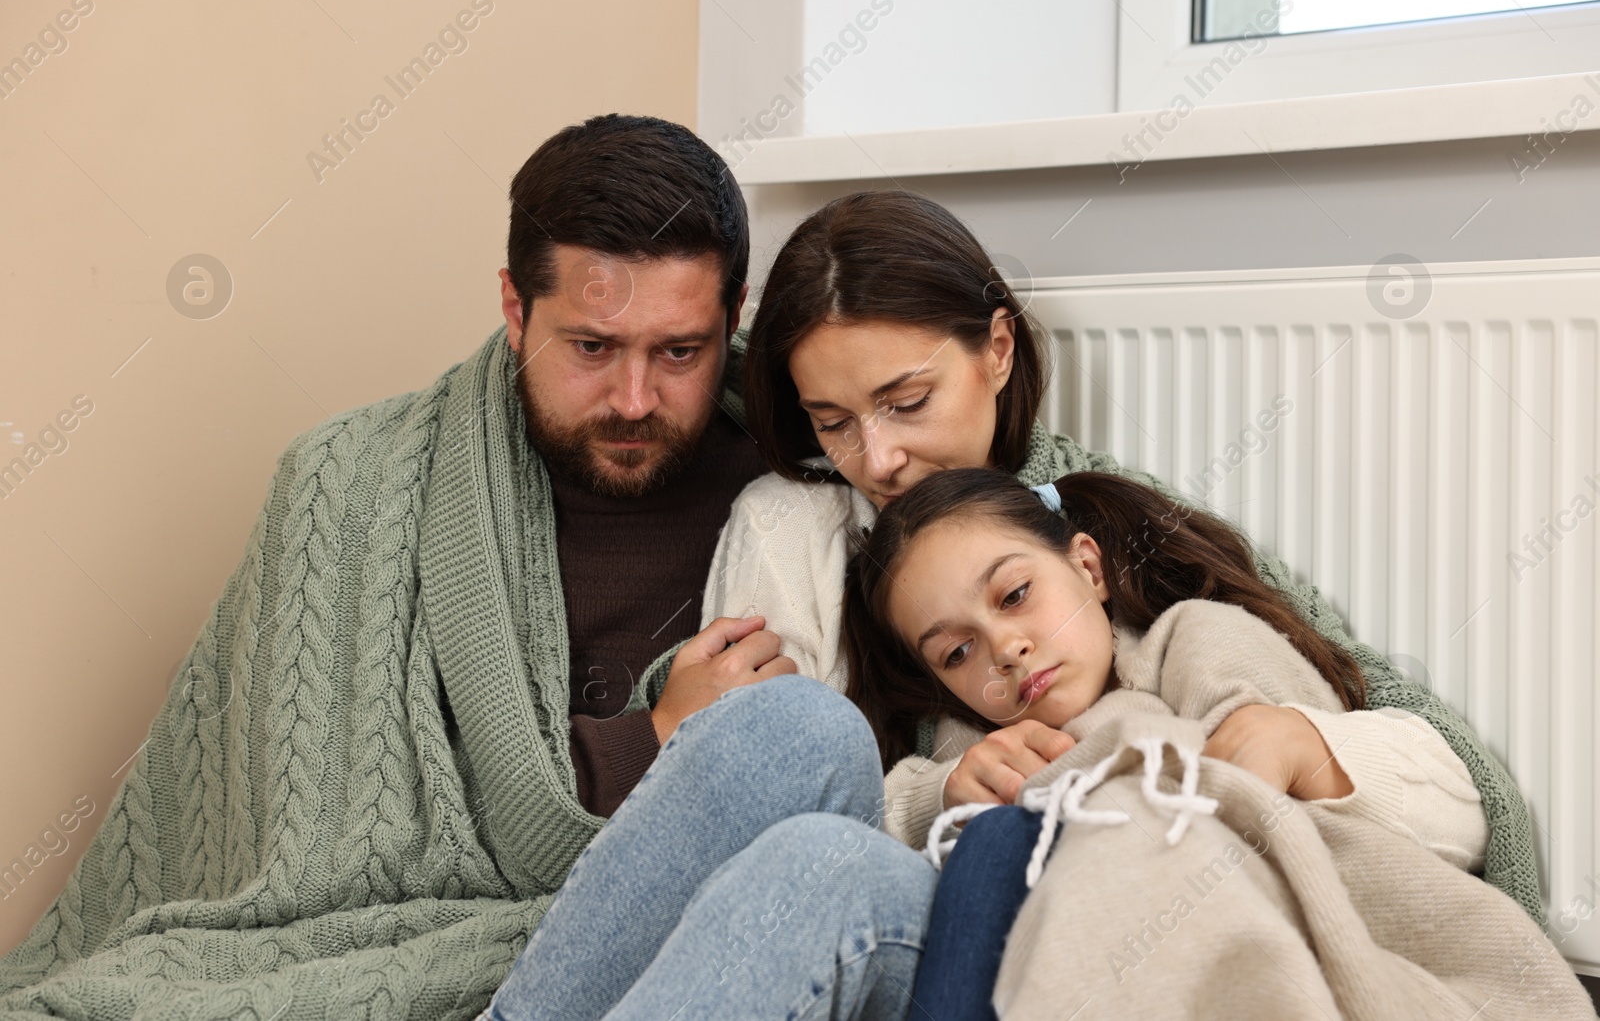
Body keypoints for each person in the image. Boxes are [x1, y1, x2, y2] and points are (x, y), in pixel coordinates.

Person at [0, 116, 926, 1021]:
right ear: (516, 311)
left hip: (711, 926)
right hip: (462, 942)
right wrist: (657, 732)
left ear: (736, 315)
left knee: (823, 782)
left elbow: (1009, 497)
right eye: (593, 347)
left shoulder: (824, 453)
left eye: (680, 351)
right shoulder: (353, 482)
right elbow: (327, 852)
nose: (635, 399)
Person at [706, 188, 1540, 1016]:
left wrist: (1308, 744)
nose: (879, 458)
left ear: (998, 349)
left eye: (907, 402)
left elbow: (1412, 739)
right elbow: (751, 822)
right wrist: (938, 795)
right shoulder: (796, 529)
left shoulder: (1120, 527)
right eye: (833, 422)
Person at [838, 466, 1594, 1019]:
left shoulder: (1194, 642)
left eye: (1014, 596)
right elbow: (882, 821)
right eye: (956, 653)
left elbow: (1373, 815)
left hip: (1280, 934)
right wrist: (942, 791)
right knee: (993, 841)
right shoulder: (985, 741)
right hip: (1110, 962)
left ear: (1088, 567)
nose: (1004, 649)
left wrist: (1303, 747)